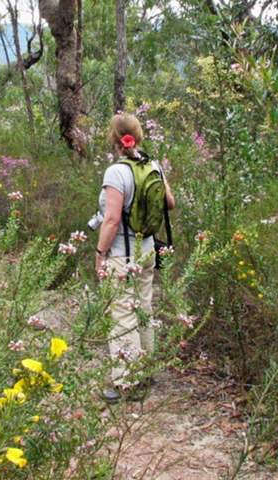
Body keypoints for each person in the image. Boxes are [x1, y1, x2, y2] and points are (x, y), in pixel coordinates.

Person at [95, 113, 175, 401]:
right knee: (143, 307)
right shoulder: (153, 165)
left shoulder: (116, 172)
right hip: (148, 250)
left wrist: (99, 254)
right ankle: (147, 370)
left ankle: (127, 383)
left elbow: (112, 220)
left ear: (114, 139)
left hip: (121, 254)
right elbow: (170, 203)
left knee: (122, 315)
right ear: (138, 136)